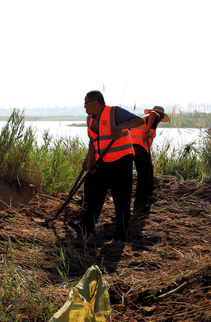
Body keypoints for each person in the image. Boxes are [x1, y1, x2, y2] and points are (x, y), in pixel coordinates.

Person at [68, 90, 144, 241]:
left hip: (122, 160)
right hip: (104, 161)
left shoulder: (114, 112)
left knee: (121, 197)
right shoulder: (90, 119)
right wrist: (89, 160)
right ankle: (86, 226)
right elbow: (93, 142)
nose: (85, 107)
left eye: (86, 104)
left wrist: (121, 127)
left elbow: (139, 121)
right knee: (96, 193)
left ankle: (121, 235)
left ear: (95, 103)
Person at [129, 106, 169, 214]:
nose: (160, 120)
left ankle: (147, 197)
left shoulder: (144, 119)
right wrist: (148, 131)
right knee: (144, 177)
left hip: (129, 148)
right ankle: (139, 206)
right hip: (139, 148)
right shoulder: (154, 116)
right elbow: (154, 114)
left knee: (148, 171)